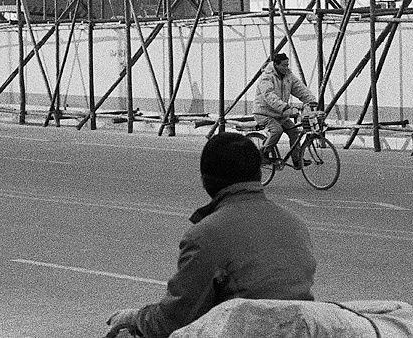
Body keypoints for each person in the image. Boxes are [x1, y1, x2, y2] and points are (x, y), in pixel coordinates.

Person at [104, 133, 315, 338]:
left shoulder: (206, 235)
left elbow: (175, 319)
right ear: (258, 174)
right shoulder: (295, 224)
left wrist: (134, 318)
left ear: (205, 180)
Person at [253, 52, 317, 164]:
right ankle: (262, 154)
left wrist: (311, 100)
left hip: (280, 114)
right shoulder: (266, 77)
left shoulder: (288, 76)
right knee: (277, 130)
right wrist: (284, 106)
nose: (286, 67)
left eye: (287, 65)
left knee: (294, 132)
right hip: (264, 113)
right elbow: (269, 95)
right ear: (276, 65)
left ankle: (297, 160)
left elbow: (299, 88)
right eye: (283, 65)